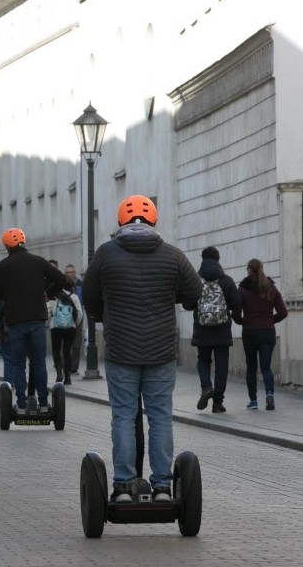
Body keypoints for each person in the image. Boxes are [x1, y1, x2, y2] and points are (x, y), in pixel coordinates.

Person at [83, 195, 202, 503]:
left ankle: (123, 486)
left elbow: (91, 298)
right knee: (160, 416)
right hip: (161, 350)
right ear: (154, 221)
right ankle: (162, 486)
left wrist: (103, 315)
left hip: (121, 349)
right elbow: (195, 293)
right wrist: (171, 295)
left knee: (123, 416)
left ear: (121, 221)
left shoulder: (105, 255)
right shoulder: (172, 255)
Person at [0, 228, 66, 412]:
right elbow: (61, 279)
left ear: (7, 246)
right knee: (39, 361)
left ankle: (22, 403)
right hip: (37, 320)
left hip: (16, 321)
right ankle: (44, 403)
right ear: (24, 242)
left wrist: (10, 294)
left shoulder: (3, 266)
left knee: (18, 364)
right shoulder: (38, 262)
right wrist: (46, 292)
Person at [182, 246, 242, 413]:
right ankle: (217, 403)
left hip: (202, 330)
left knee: (203, 361)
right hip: (222, 330)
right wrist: (234, 316)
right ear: (218, 259)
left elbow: (187, 304)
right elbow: (237, 304)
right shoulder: (227, 280)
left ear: (202, 259)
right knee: (222, 366)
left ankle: (206, 387)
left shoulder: (196, 280)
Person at [231, 258, 288, 411]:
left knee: (251, 368)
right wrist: (270, 320)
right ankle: (269, 394)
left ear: (249, 270)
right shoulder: (272, 288)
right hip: (268, 332)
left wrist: (243, 321)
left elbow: (235, 313)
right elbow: (283, 312)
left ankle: (253, 401)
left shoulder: (242, 289)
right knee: (266, 367)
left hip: (250, 332)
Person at [47, 277, 84, 386]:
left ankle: (59, 372)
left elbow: (49, 311)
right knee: (67, 351)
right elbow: (79, 313)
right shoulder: (74, 297)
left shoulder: (54, 297)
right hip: (70, 327)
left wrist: (50, 321)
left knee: (56, 350)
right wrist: (74, 323)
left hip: (56, 327)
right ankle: (67, 376)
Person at [64, 263, 84, 374]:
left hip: (78, 314)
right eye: (67, 272)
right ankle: (65, 364)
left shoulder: (80, 284)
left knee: (77, 342)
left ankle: (74, 366)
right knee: (65, 342)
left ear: (75, 273)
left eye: (71, 272)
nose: (69, 274)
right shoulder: (61, 284)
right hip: (65, 315)